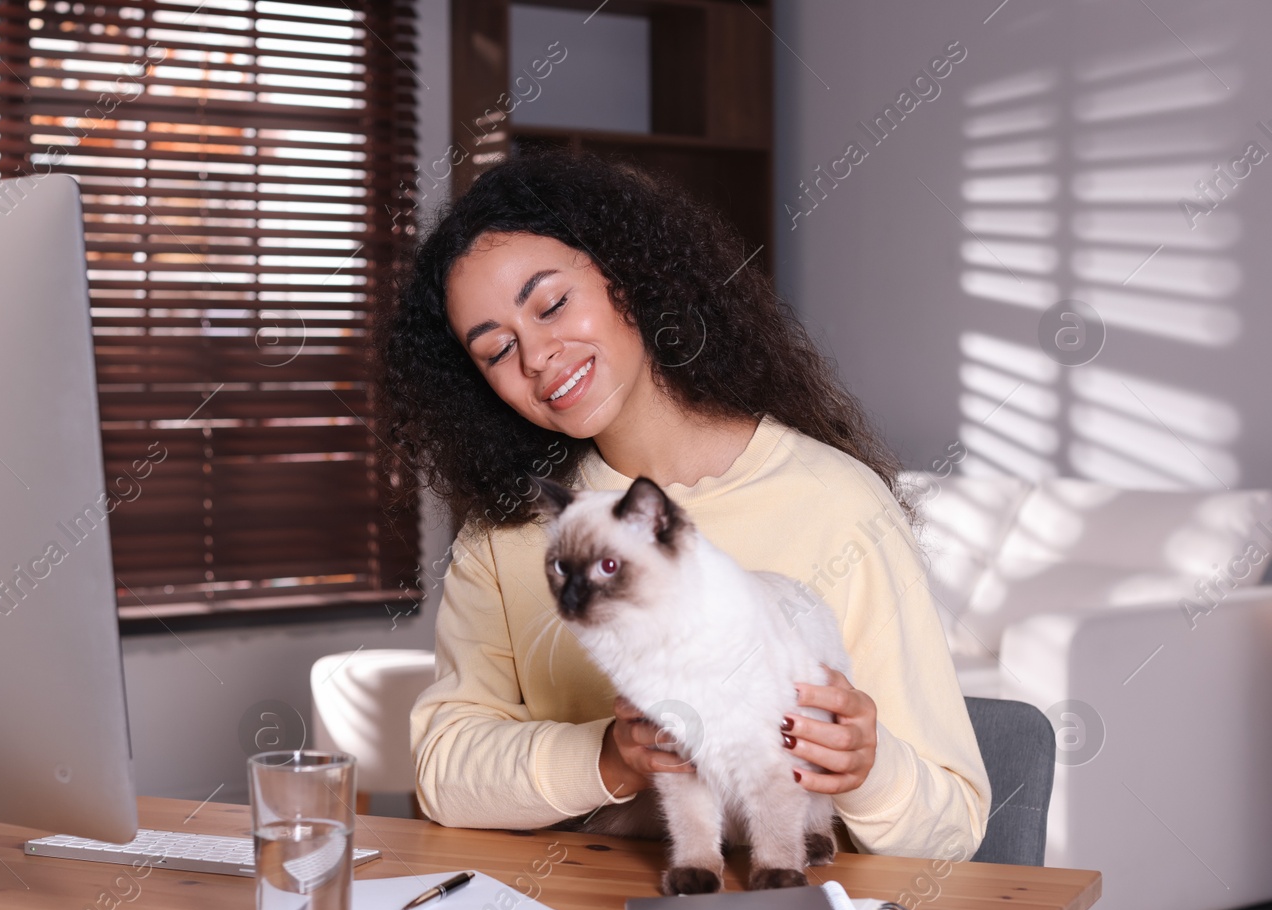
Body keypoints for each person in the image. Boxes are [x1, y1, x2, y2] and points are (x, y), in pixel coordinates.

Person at [376, 149, 989, 861]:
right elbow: (444, 774)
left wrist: (866, 769)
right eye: (497, 350)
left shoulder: (838, 505)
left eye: (550, 304)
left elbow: (956, 826)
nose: (538, 355)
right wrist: (610, 757)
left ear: (626, 274)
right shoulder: (517, 531)